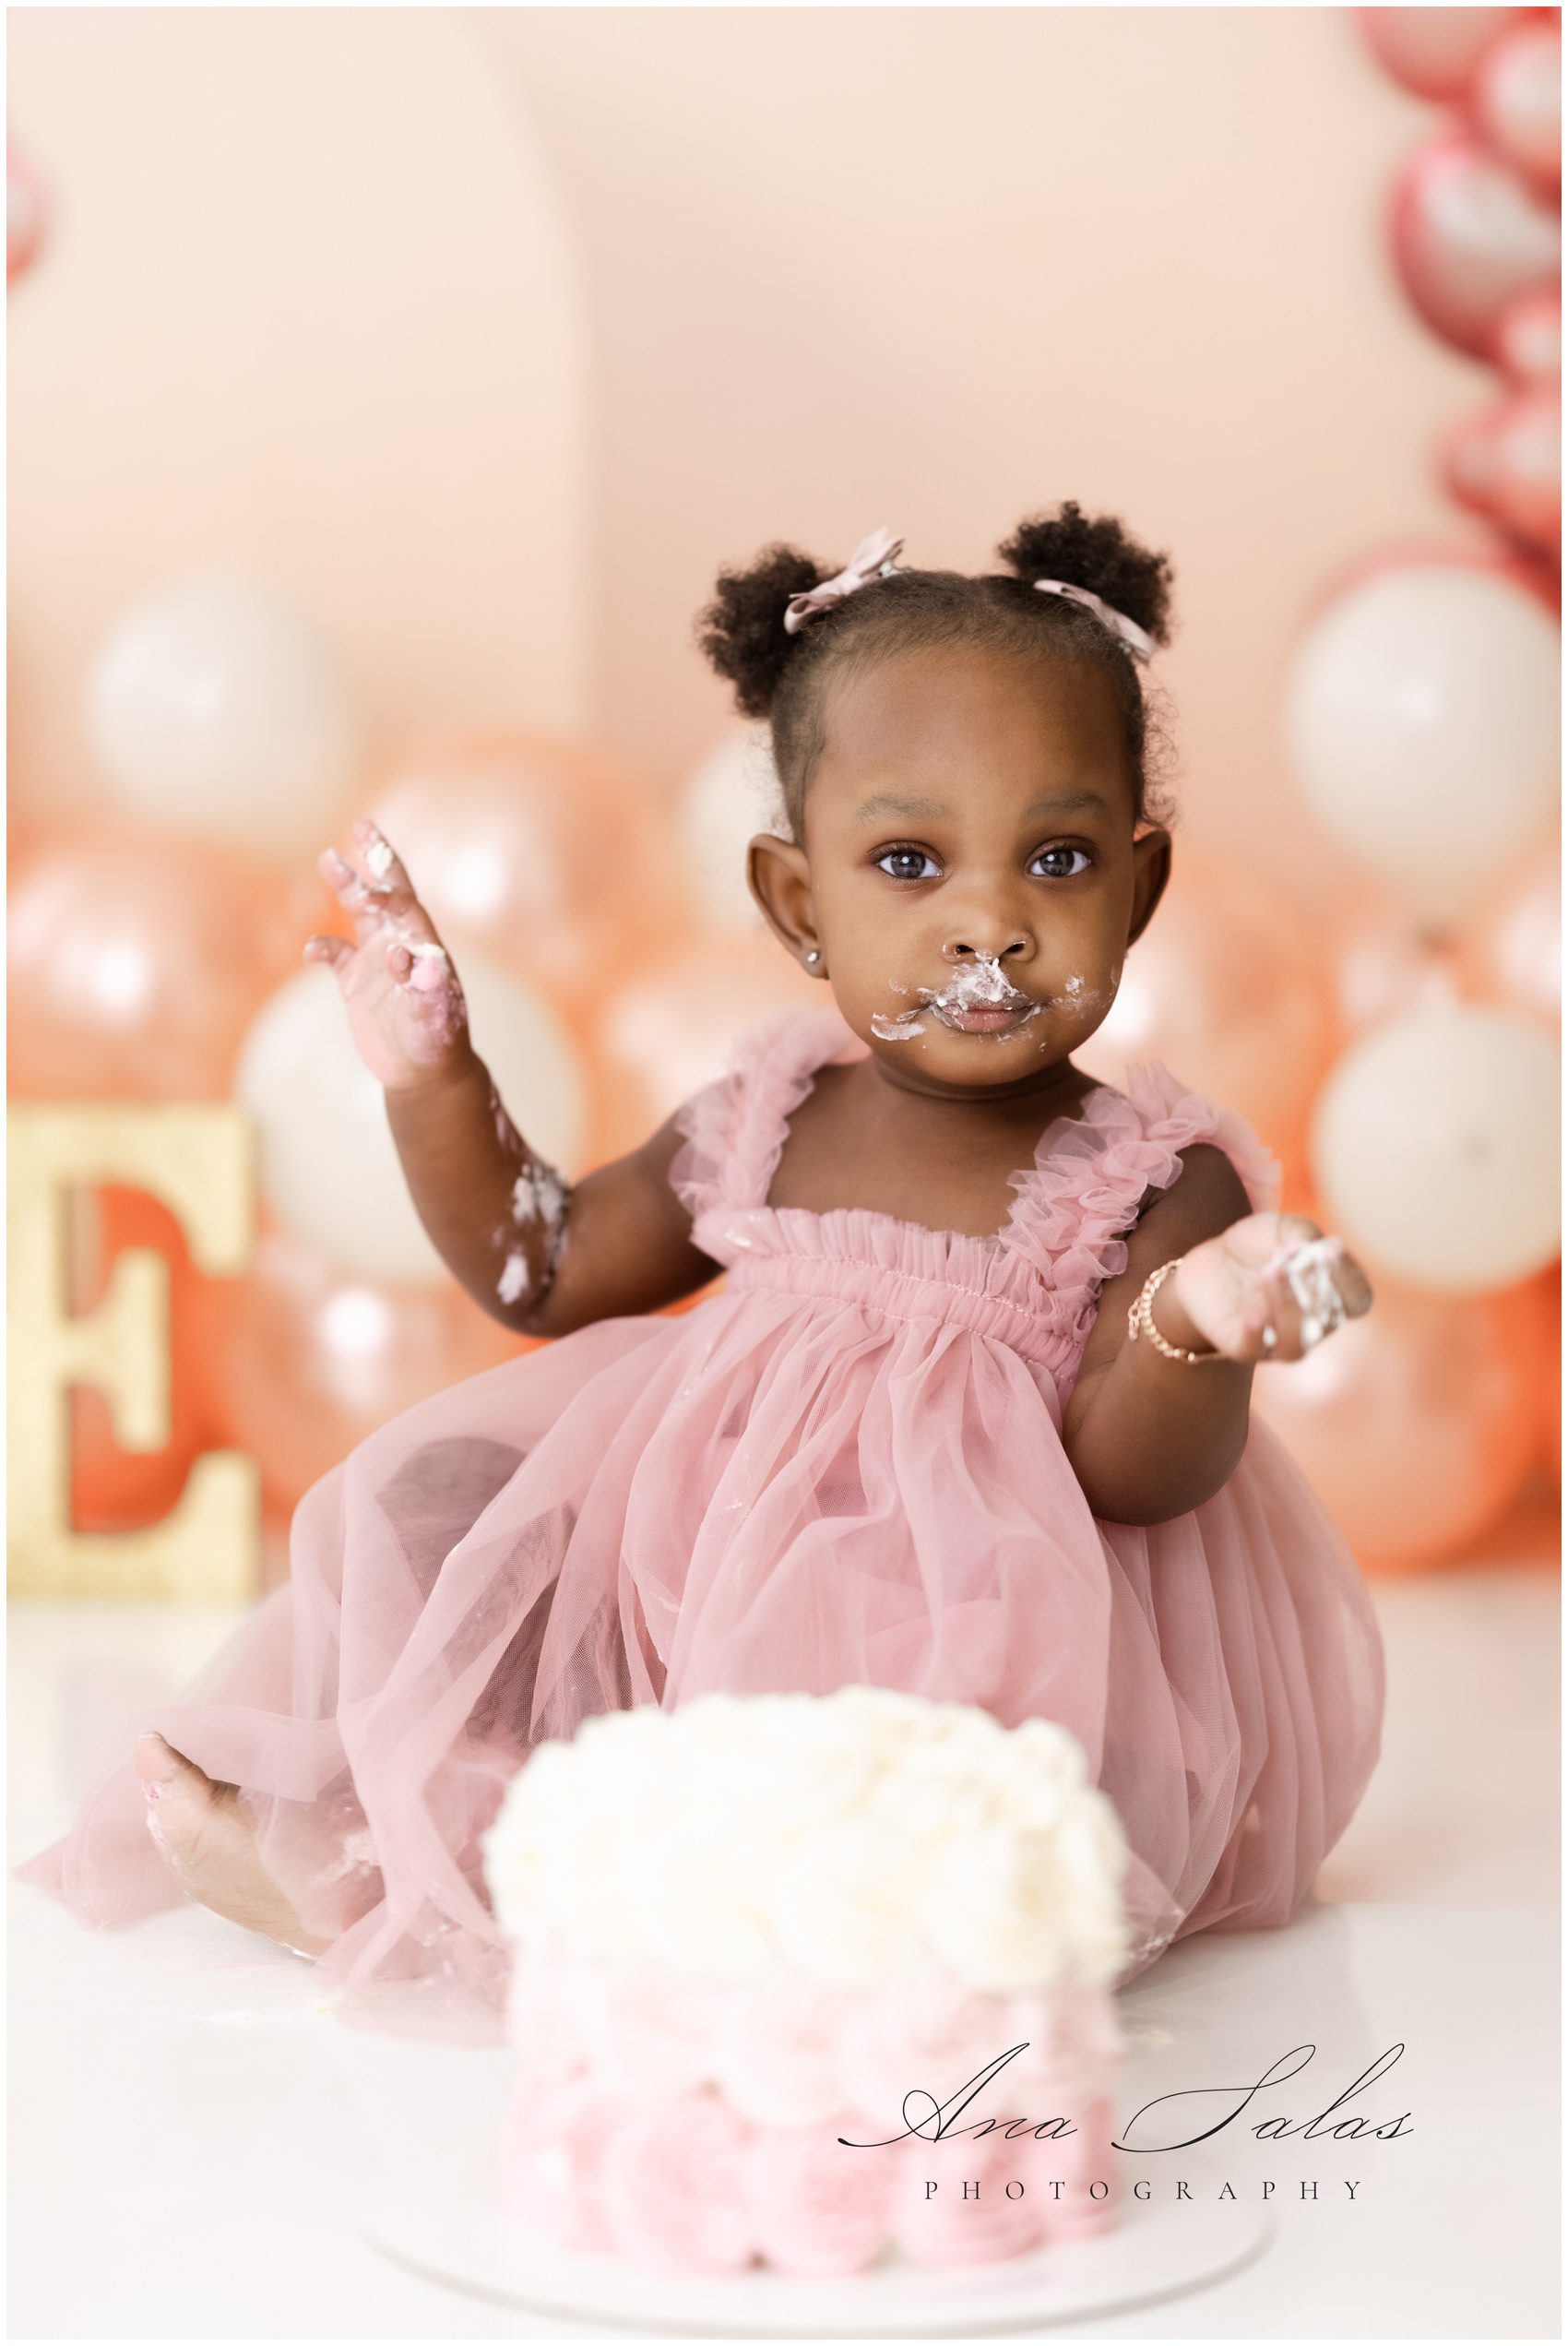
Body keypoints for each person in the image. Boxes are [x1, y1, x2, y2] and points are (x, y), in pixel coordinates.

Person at [17, 503, 1384, 2039]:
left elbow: (1133, 1477)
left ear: (1139, 887)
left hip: (980, 1660)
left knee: (852, 1865)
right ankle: (386, 1864)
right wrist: (434, 1078)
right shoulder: (767, 1115)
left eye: (1056, 859)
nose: (990, 924)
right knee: (449, 1504)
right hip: (703, 1589)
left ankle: (783, 1929)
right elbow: (543, 1262)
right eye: (909, 862)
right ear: (799, 904)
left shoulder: (1158, 1178)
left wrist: (1199, 1323)